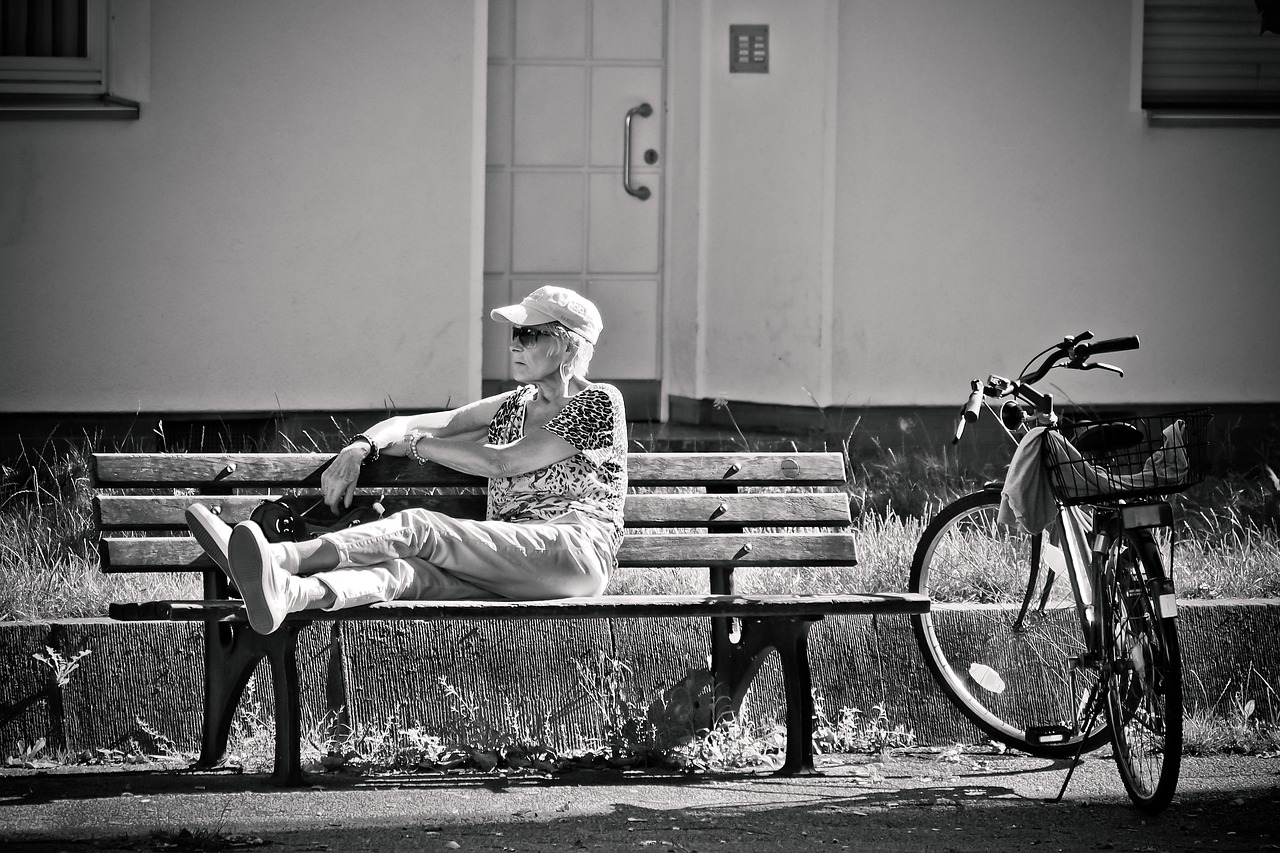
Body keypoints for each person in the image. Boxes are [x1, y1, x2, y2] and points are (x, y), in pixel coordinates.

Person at [185, 285, 627, 635]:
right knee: (403, 573)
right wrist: (358, 448)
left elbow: (503, 463)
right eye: (515, 334)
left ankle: (277, 558)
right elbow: (410, 422)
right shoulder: (515, 404)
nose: (515, 344)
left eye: (530, 334)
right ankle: (288, 592)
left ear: (569, 347)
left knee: (420, 527)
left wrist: (419, 445)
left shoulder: (599, 402)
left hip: (574, 552)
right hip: (511, 561)